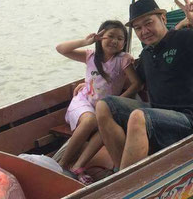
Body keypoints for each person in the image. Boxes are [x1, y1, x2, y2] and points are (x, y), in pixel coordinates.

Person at [95, 0, 193, 170]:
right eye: (138, 28)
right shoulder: (147, 55)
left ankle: (125, 185)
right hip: (158, 115)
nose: (144, 31)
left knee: (138, 117)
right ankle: (122, 172)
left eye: (148, 23)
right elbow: (133, 81)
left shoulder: (184, 38)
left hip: (190, 119)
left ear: (163, 18)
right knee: (104, 106)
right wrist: (90, 81)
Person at [56, 20, 141, 184]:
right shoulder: (90, 55)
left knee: (105, 125)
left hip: (105, 108)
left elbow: (137, 84)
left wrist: (118, 101)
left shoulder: (124, 60)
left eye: (120, 38)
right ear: (100, 37)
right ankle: (62, 164)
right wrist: (86, 41)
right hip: (83, 103)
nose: (114, 41)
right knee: (90, 120)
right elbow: (61, 49)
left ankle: (78, 167)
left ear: (125, 43)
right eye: (110, 36)